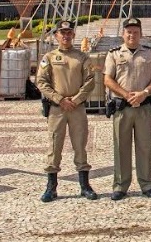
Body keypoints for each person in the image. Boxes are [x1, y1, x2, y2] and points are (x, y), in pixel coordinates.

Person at [35, 20, 98, 202]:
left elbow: (90, 81)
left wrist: (76, 99)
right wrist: (59, 99)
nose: (65, 36)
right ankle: (51, 187)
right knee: (54, 146)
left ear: (73, 35)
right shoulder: (49, 58)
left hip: (77, 108)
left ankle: (85, 186)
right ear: (56, 36)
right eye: (62, 33)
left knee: (80, 146)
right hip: (57, 108)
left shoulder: (82, 57)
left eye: (69, 32)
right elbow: (41, 82)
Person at [104, 17, 151, 200]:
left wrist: (144, 93)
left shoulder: (150, 53)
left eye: (135, 32)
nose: (132, 35)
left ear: (141, 34)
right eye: (129, 31)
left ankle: (146, 184)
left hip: (144, 106)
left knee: (145, 146)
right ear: (123, 34)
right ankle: (120, 186)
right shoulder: (113, 54)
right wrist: (126, 94)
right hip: (123, 107)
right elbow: (108, 79)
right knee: (121, 146)